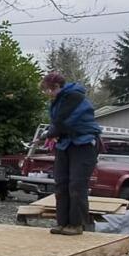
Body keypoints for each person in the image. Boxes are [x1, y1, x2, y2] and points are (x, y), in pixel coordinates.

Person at [41, 71, 102, 236]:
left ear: (56, 86)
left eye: (48, 89)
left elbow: (63, 121)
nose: (47, 93)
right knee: (61, 183)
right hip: (65, 144)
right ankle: (63, 222)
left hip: (84, 145)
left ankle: (77, 224)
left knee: (77, 185)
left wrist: (49, 133)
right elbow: (57, 122)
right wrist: (53, 133)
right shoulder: (58, 100)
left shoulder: (74, 97)